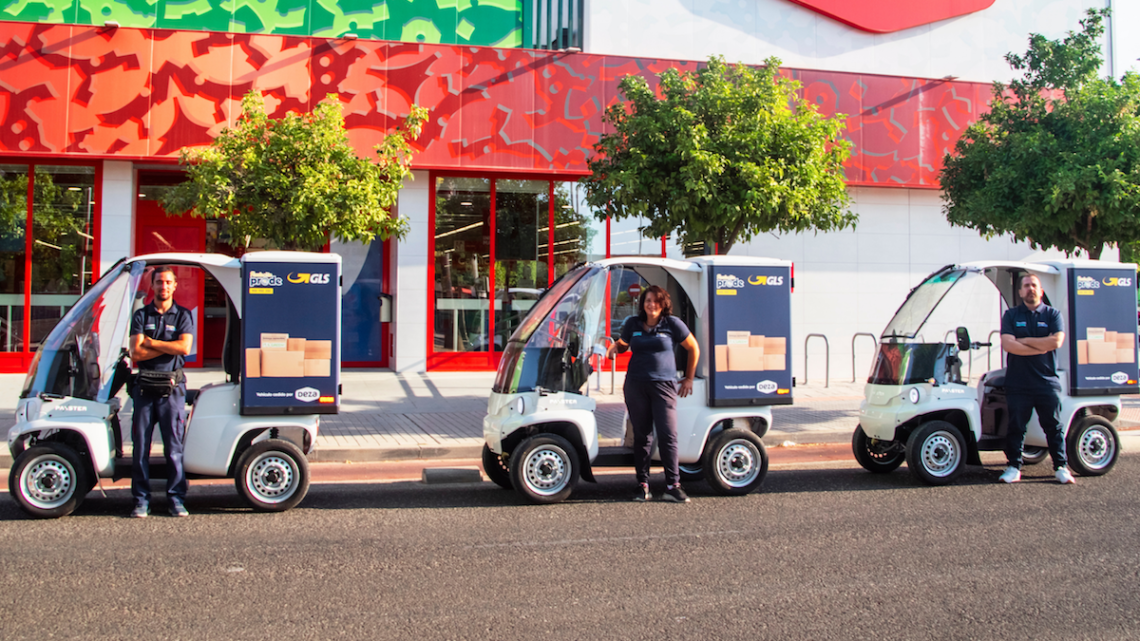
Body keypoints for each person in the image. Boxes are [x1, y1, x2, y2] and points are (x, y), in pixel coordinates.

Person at [606, 285, 700, 502]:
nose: (651, 305)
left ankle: (672, 485)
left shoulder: (672, 324)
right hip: (636, 385)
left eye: (656, 301)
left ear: (663, 304)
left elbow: (693, 348)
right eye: (648, 300)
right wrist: (613, 349)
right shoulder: (633, 324)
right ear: (643, 303)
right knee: (642, 436)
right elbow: (623, 344)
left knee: (668, 435)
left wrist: (688, 378)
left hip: (664, 386)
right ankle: (642, 484)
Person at [128, 266, 195, 517]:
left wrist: (152, 342)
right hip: (144, 389)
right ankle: (141, 500)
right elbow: (136, 353)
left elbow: (185, 347)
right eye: (159, 282)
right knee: (140, 448)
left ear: (175, 285)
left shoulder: (183, 315)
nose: (163, 286)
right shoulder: (140, 316)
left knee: (174, 448)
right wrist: (170, 346)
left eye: (168, 282)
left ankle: (176, 499)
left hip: (172, 390)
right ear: (152, 286)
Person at [998, 273, 1074, 485]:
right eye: (1026, 286)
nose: (1030, 289)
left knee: (1054, 427)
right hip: (1018, 384)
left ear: (1041, 291)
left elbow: (1056, 342)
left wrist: (1025, 342)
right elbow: (1008, 345)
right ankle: (1013, 466)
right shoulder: (1011, 315)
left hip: (1046, 383)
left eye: (1034, 285)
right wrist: (1041, 344)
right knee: (1016, 427)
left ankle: (1060, 467)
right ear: (1020, 292)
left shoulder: (1053, 315)